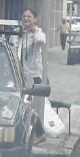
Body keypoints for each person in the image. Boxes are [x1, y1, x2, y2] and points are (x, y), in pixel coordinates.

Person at [21, 8, 49, 140]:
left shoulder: (38, 33)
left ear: (35, 18)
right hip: (21, 74)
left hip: (33, 76)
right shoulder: (21, 34)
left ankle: (40, 133)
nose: (26, 19)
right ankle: (37, 133)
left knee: (26, 105)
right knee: (23, 106)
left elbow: (41, 41)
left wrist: (35, 30)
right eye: (24, 16)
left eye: (29, 17)